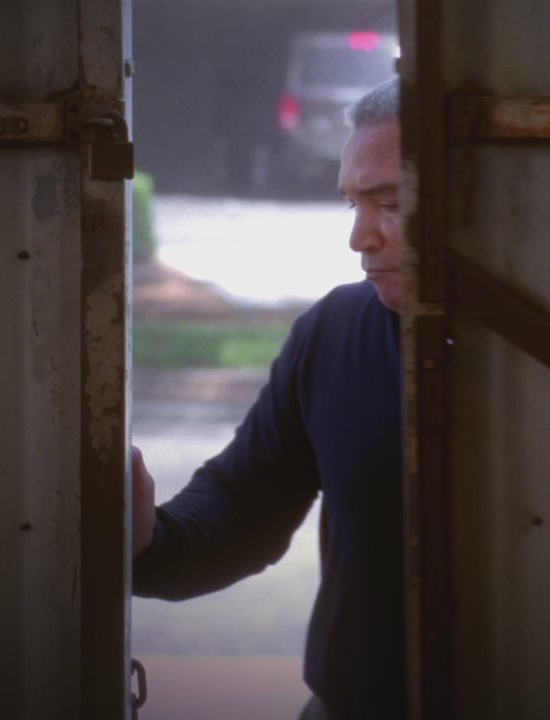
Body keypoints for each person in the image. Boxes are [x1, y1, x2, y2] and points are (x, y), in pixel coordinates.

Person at [131, 76, 406, 720]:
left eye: (390, 203)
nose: (360, 237)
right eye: (352, 204)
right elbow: (241, 506)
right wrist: (147, 542)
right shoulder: (336, 330)